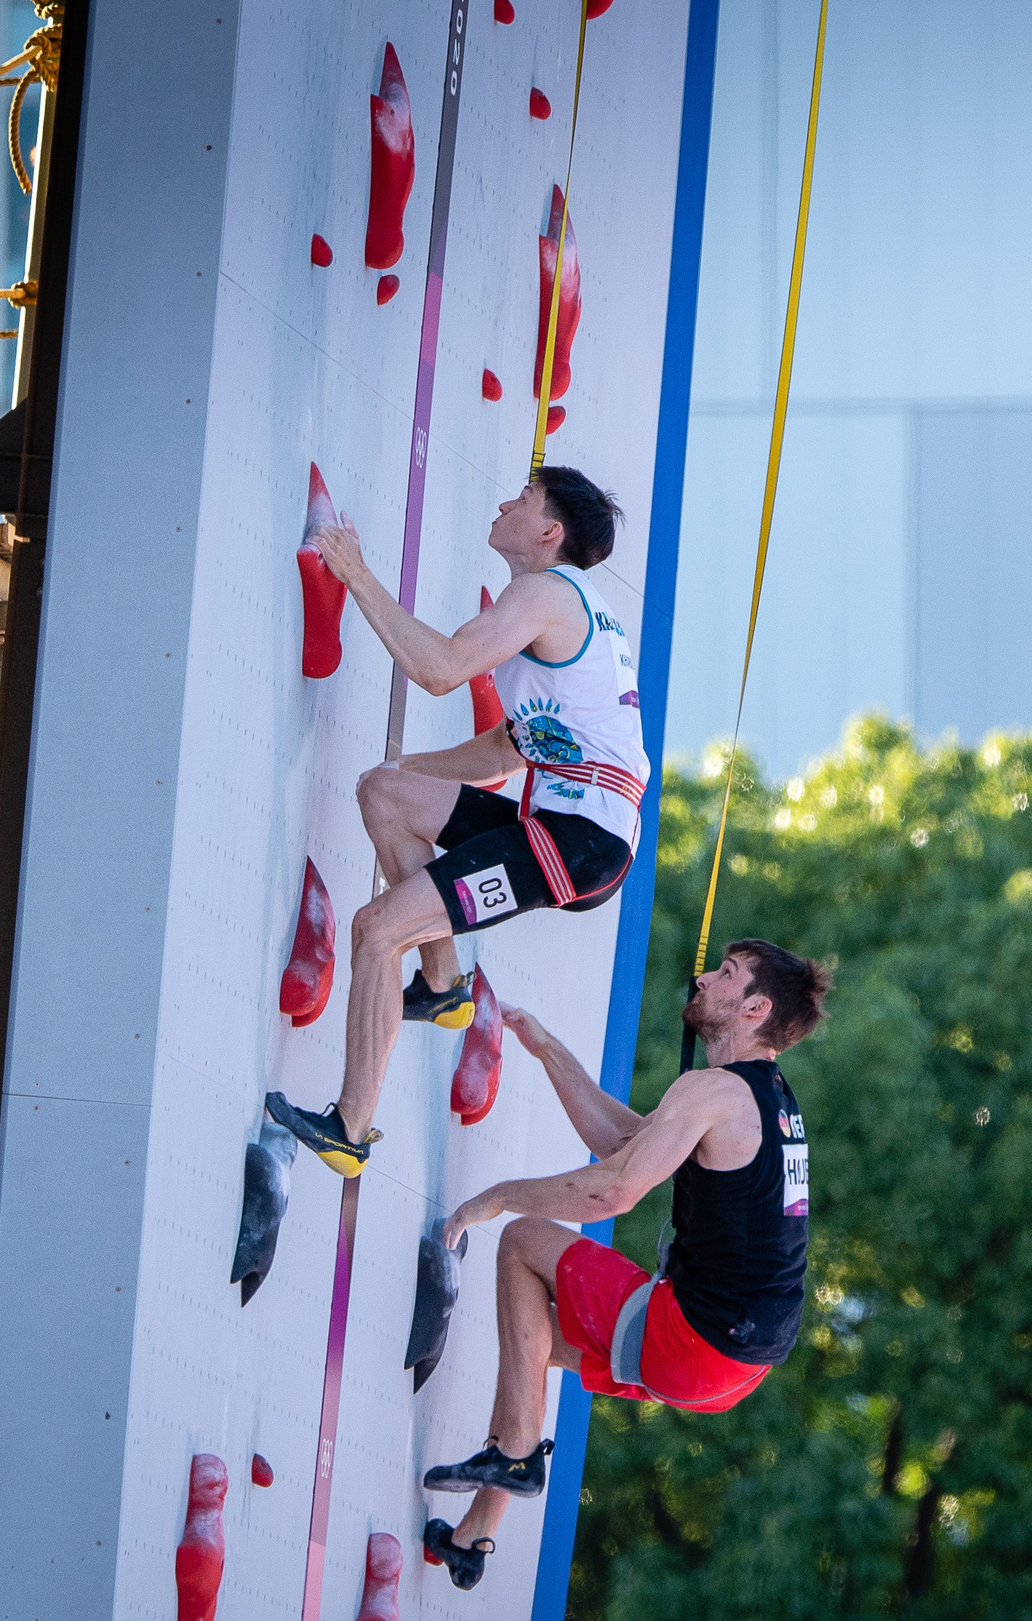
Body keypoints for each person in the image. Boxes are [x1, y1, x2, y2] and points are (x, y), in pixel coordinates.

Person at [265, 466, 649, 1175]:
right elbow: (509, 745)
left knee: (376, 930)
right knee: (384, 793)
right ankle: (442, 982)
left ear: (549, 531)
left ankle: (350, 1130)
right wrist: (412, 769)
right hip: (570, 827)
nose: (507, 502)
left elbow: (440, 669)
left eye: (524, 499)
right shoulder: (567, 606)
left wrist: (354, 572)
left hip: (575, 842)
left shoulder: (546, 593)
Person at [416, 940, 830, 1590]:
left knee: (524, 1240)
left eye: (724, 974)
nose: (702, 976)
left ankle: (517, 1453)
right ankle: (473, 1534)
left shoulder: (715, 1089)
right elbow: (623, 1144)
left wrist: (498, 1198)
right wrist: (549, 1048)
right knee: (538, 1342)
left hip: (695, 1336)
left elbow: (614, 1189)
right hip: (737, 1369)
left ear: (754, 1007)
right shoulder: (771, 1099)